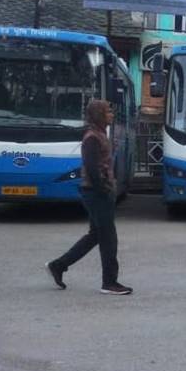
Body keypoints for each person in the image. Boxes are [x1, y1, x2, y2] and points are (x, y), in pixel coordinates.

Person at [45, 100, 132, 295]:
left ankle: (58, 265)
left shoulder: (100, 134)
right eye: (108, 112)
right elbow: (92, 168)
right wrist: (104, 190)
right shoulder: (92, 137)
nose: (112, 115)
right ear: (99, 115)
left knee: (96, 235)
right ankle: (109, 282)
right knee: (108, 238)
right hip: (96, 193)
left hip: (99, 192)